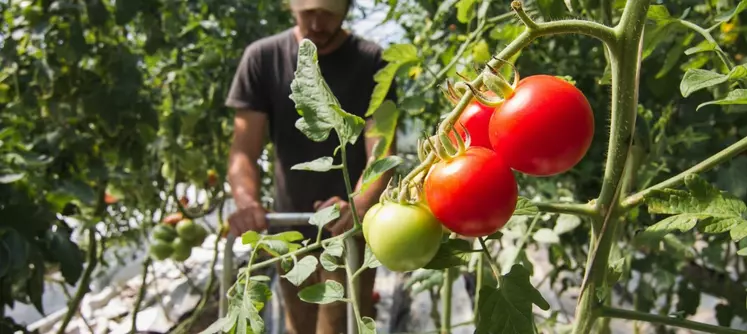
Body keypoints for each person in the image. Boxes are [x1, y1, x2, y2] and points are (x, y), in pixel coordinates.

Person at [224, 0, 397, 332]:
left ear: (347, 7)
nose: (317, 23)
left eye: (328, 13)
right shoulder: (263, 58)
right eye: (308, 13)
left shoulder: (372, 61)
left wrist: (359, 203)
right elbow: (243, 150)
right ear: (290, 6)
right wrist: (246, 201)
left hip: (349, 233)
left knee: (341, 324)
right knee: (297, 322)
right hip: (290, 231)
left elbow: (382, 148)